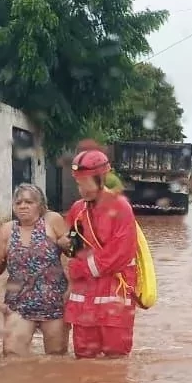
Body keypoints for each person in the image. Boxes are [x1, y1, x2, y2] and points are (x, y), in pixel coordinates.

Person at [58, 145, 139, 359]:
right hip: (84, 293)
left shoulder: (121, 207)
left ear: (101, 178)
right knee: (84, 355)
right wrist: (66, 246)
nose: (81, 189)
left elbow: (120, 254)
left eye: (85, 182)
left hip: (115, 287)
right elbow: (75, 245)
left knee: (116, 355)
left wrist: (80, 268)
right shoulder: (77, 209)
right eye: (78, 183)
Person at [0, 183, 70, 356]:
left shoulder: (52, 222)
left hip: (54, 304)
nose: (23, 206)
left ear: (41, 205)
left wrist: (71, 290)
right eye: (18, 202)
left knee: (57, 359)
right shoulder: (8, 230)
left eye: (29, 202)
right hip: (18, 306)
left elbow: (76, 254)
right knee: (12, 359)